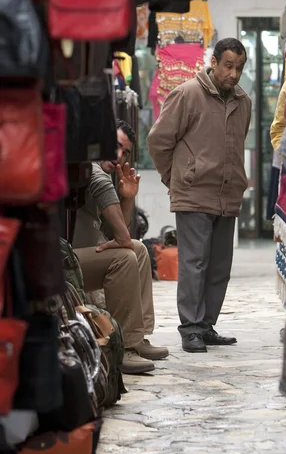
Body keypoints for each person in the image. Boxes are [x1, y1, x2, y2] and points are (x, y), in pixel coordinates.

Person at [147, 38, 252, 353]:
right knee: (194, 263)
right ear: (215, 62)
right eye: (228, 66)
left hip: (227, 194)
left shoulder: (243, 102)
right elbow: (158, 141)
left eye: (239, 68)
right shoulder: (187, 94)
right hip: (194, 193)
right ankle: (190, 328)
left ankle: (206, 326)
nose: (233, 74)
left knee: (220, 266)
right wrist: (175, 177)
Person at [73, 120, 169, 374]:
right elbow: (120, 235)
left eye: (125, 152)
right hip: (63, 262)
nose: (118, 156)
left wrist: (127, 198)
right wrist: (124, 238)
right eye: (114, 147)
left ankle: (137, 339)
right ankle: (122, 347)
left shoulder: (105, 175)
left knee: (137, 249)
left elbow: (118, 232)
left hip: (82, 260)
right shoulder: (87, 166)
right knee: (125, 256)